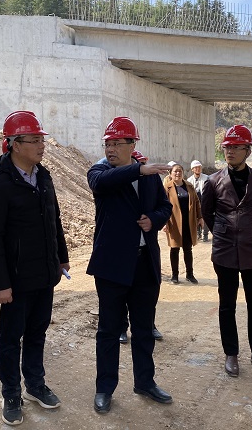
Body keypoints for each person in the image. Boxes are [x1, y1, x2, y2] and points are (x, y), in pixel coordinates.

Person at [0, 111, 70, 426]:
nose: (41, 145)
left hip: (44, 274)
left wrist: (61, 257)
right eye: (34, 140)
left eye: (42, 139)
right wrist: (0, 284)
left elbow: (54, 220)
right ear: (15, 144)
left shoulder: (43, 178)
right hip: (16, 281)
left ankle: (35, 384)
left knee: (37, 333)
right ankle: (11, 393)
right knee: (10, 339)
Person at [87, 116, 173, 414]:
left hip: (144, 264)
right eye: (107, 144)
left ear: (132, 144)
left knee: (144, 328)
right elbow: (102, 183)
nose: (110, 149)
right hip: (112, 266)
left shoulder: (149, 177)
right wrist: (138, 169)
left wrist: (154, 220)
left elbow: (165, 206)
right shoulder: (100, 171)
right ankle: (104, 388)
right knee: (109, 330)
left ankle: (145, 382)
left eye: (116, 143)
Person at [201, 125, 252, 378]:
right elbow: (207, 212)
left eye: (236, 147)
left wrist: (248, 231)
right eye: (227, 147)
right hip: (224, 253)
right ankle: (231, 353)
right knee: (226, 305)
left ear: (247, 151)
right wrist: (224, 233)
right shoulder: (213, 181)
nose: (230, 151)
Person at [120, 150, 163, 345]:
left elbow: (164, 206)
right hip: (120, 255)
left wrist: (153, 219)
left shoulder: (152, 180)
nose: (142, 167)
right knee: (120, 296)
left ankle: (150, 325)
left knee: (147, 298)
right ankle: (122, 327)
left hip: (146, 253)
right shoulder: (108, 177)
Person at [163, 162, 202, 284]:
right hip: (173, 222)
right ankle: (174, 275)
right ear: (170, 174)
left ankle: (190, 274)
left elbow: (196, 202)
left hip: (188, 222)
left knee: (188, 249)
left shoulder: (189, 186)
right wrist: (164, 222)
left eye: (180, 171)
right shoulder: (167, 188)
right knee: (174, 249)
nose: (178, 173)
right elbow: (162, 206)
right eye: (175, 171)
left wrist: (200, 217)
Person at [188, 160, 210, 242]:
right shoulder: (189, 180)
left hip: (204, 201)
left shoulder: (206, 178)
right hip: (195, 202)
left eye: (199, 167)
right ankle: (198, 233)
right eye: (196, 167)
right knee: (196, 217)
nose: (198, 169)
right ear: (192, 169)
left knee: (205, 217)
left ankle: (205, 234)